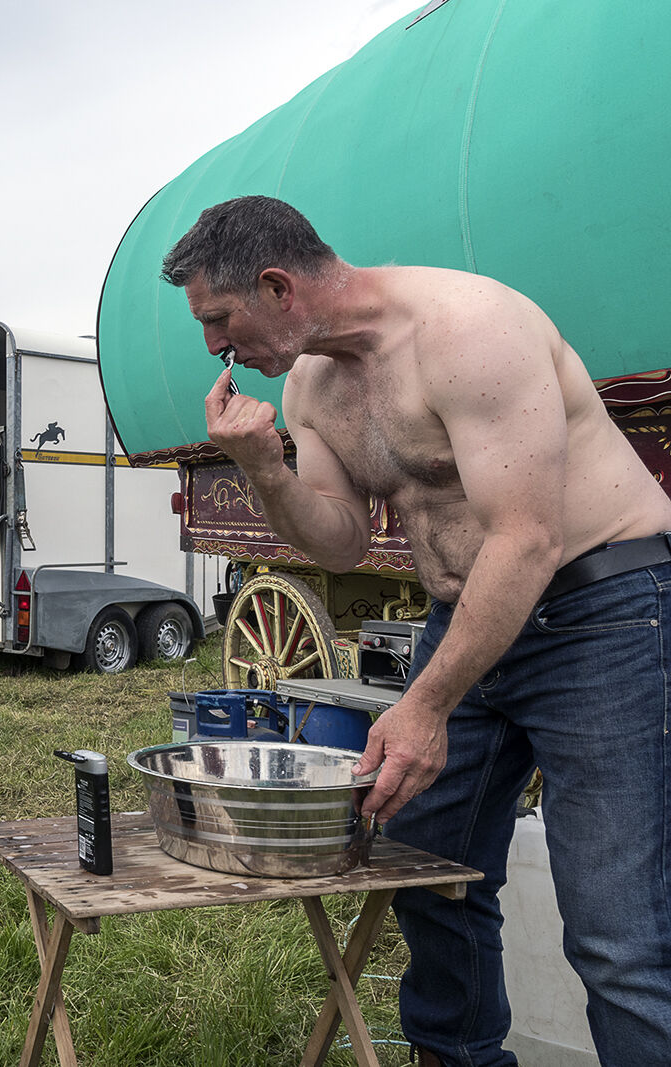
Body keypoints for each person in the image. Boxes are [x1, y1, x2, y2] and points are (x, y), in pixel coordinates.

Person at [159, 195, 671, 1067]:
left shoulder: (470, 330)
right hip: (467, 612)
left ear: (277, 286)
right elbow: (342, 537)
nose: (214, 345)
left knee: (618, 934)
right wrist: (264, 469)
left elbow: (529, 537)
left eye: (219, 317)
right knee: (428, 874)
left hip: (602, 612)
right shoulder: (310, 386)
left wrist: (426, 703)